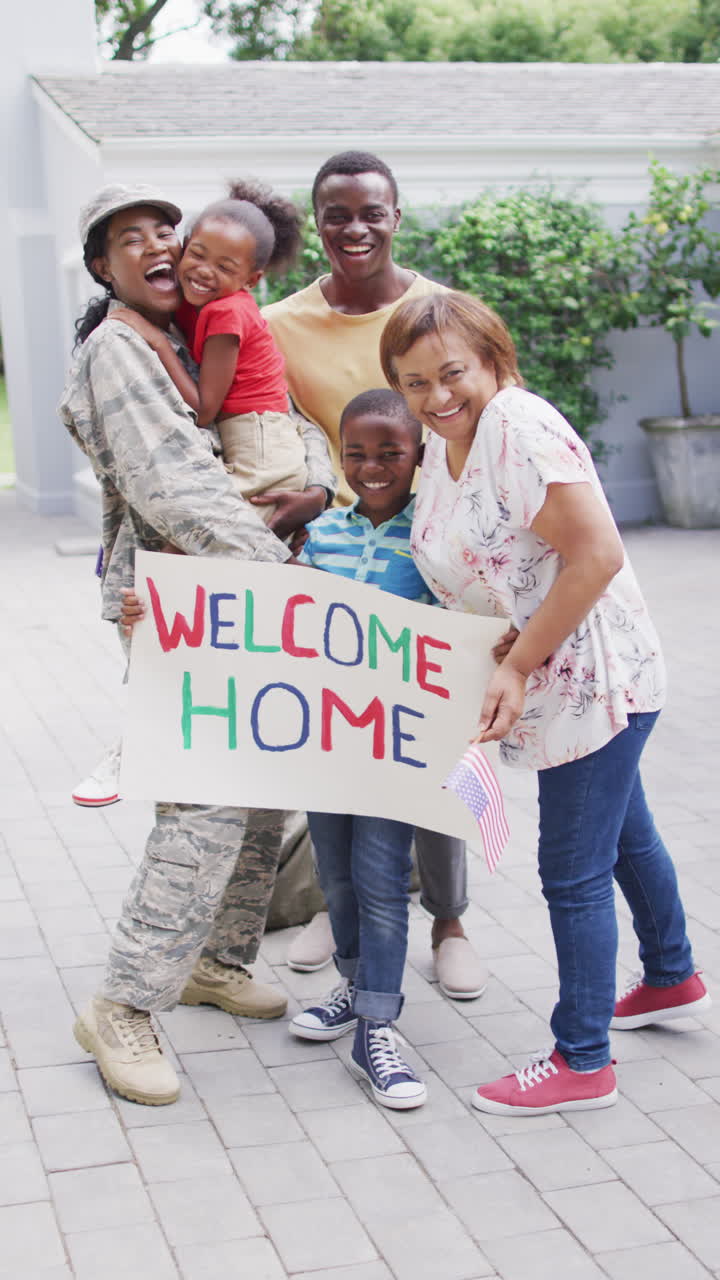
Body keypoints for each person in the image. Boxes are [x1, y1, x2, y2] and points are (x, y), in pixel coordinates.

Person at [379, 288, 711, 1117]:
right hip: (551, 683)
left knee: (571, 870)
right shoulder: (442, 444)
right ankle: (671, 976)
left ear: (493, 359)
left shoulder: (517, 429)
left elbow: (594, 556)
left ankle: (582, 1059)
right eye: (413, 382)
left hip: (594, 680)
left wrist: (519, 665)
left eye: (452, 373)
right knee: (625, 835)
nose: (436, 396)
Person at [60, 183, 336, 1106]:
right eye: (127, 240)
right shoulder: (118, 351)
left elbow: (289, 422)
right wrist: (289, 574)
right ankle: (124, 1005)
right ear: (105, 270)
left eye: (164, 229)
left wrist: (322, 491)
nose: (157, 246)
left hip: (238, 596)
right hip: (181, 606)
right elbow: (177, 486)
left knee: (263, 789)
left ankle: (214, 960)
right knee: (202, 805)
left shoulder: (210, 324)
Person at [262, 151, 486, 999]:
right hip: (342, 545)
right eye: (335, 214)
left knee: (432, 736)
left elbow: (482, 416)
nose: (354, 229)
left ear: (397, 215)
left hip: (433, 546)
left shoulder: (437, 312)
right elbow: (274, 427)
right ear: (315, 220)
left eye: (372, 212)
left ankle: (452, 920)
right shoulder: (282, 325)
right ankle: (339, 906)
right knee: (345, 732)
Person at [288, 388, 437, 1109]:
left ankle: (378, 1026)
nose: (372, 467)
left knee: (381, 883)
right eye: (356, 454)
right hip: (324, 741)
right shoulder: (323, 537)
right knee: (337, 877)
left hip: (391, 750)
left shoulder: (431, 540)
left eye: (390, 453)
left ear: (418, 456)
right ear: (339, 456)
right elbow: (281, 625)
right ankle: (354, 984)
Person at [114, 181, 309, 525]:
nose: (205, 271)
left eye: (225, 267)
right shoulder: (197, 300)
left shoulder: (226, 313)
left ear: (251, 280)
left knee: (206, 530)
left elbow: (204, 410)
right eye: (198, 255)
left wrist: (157, 342)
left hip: (262, 447)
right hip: (252, 438)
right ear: (184, 247)